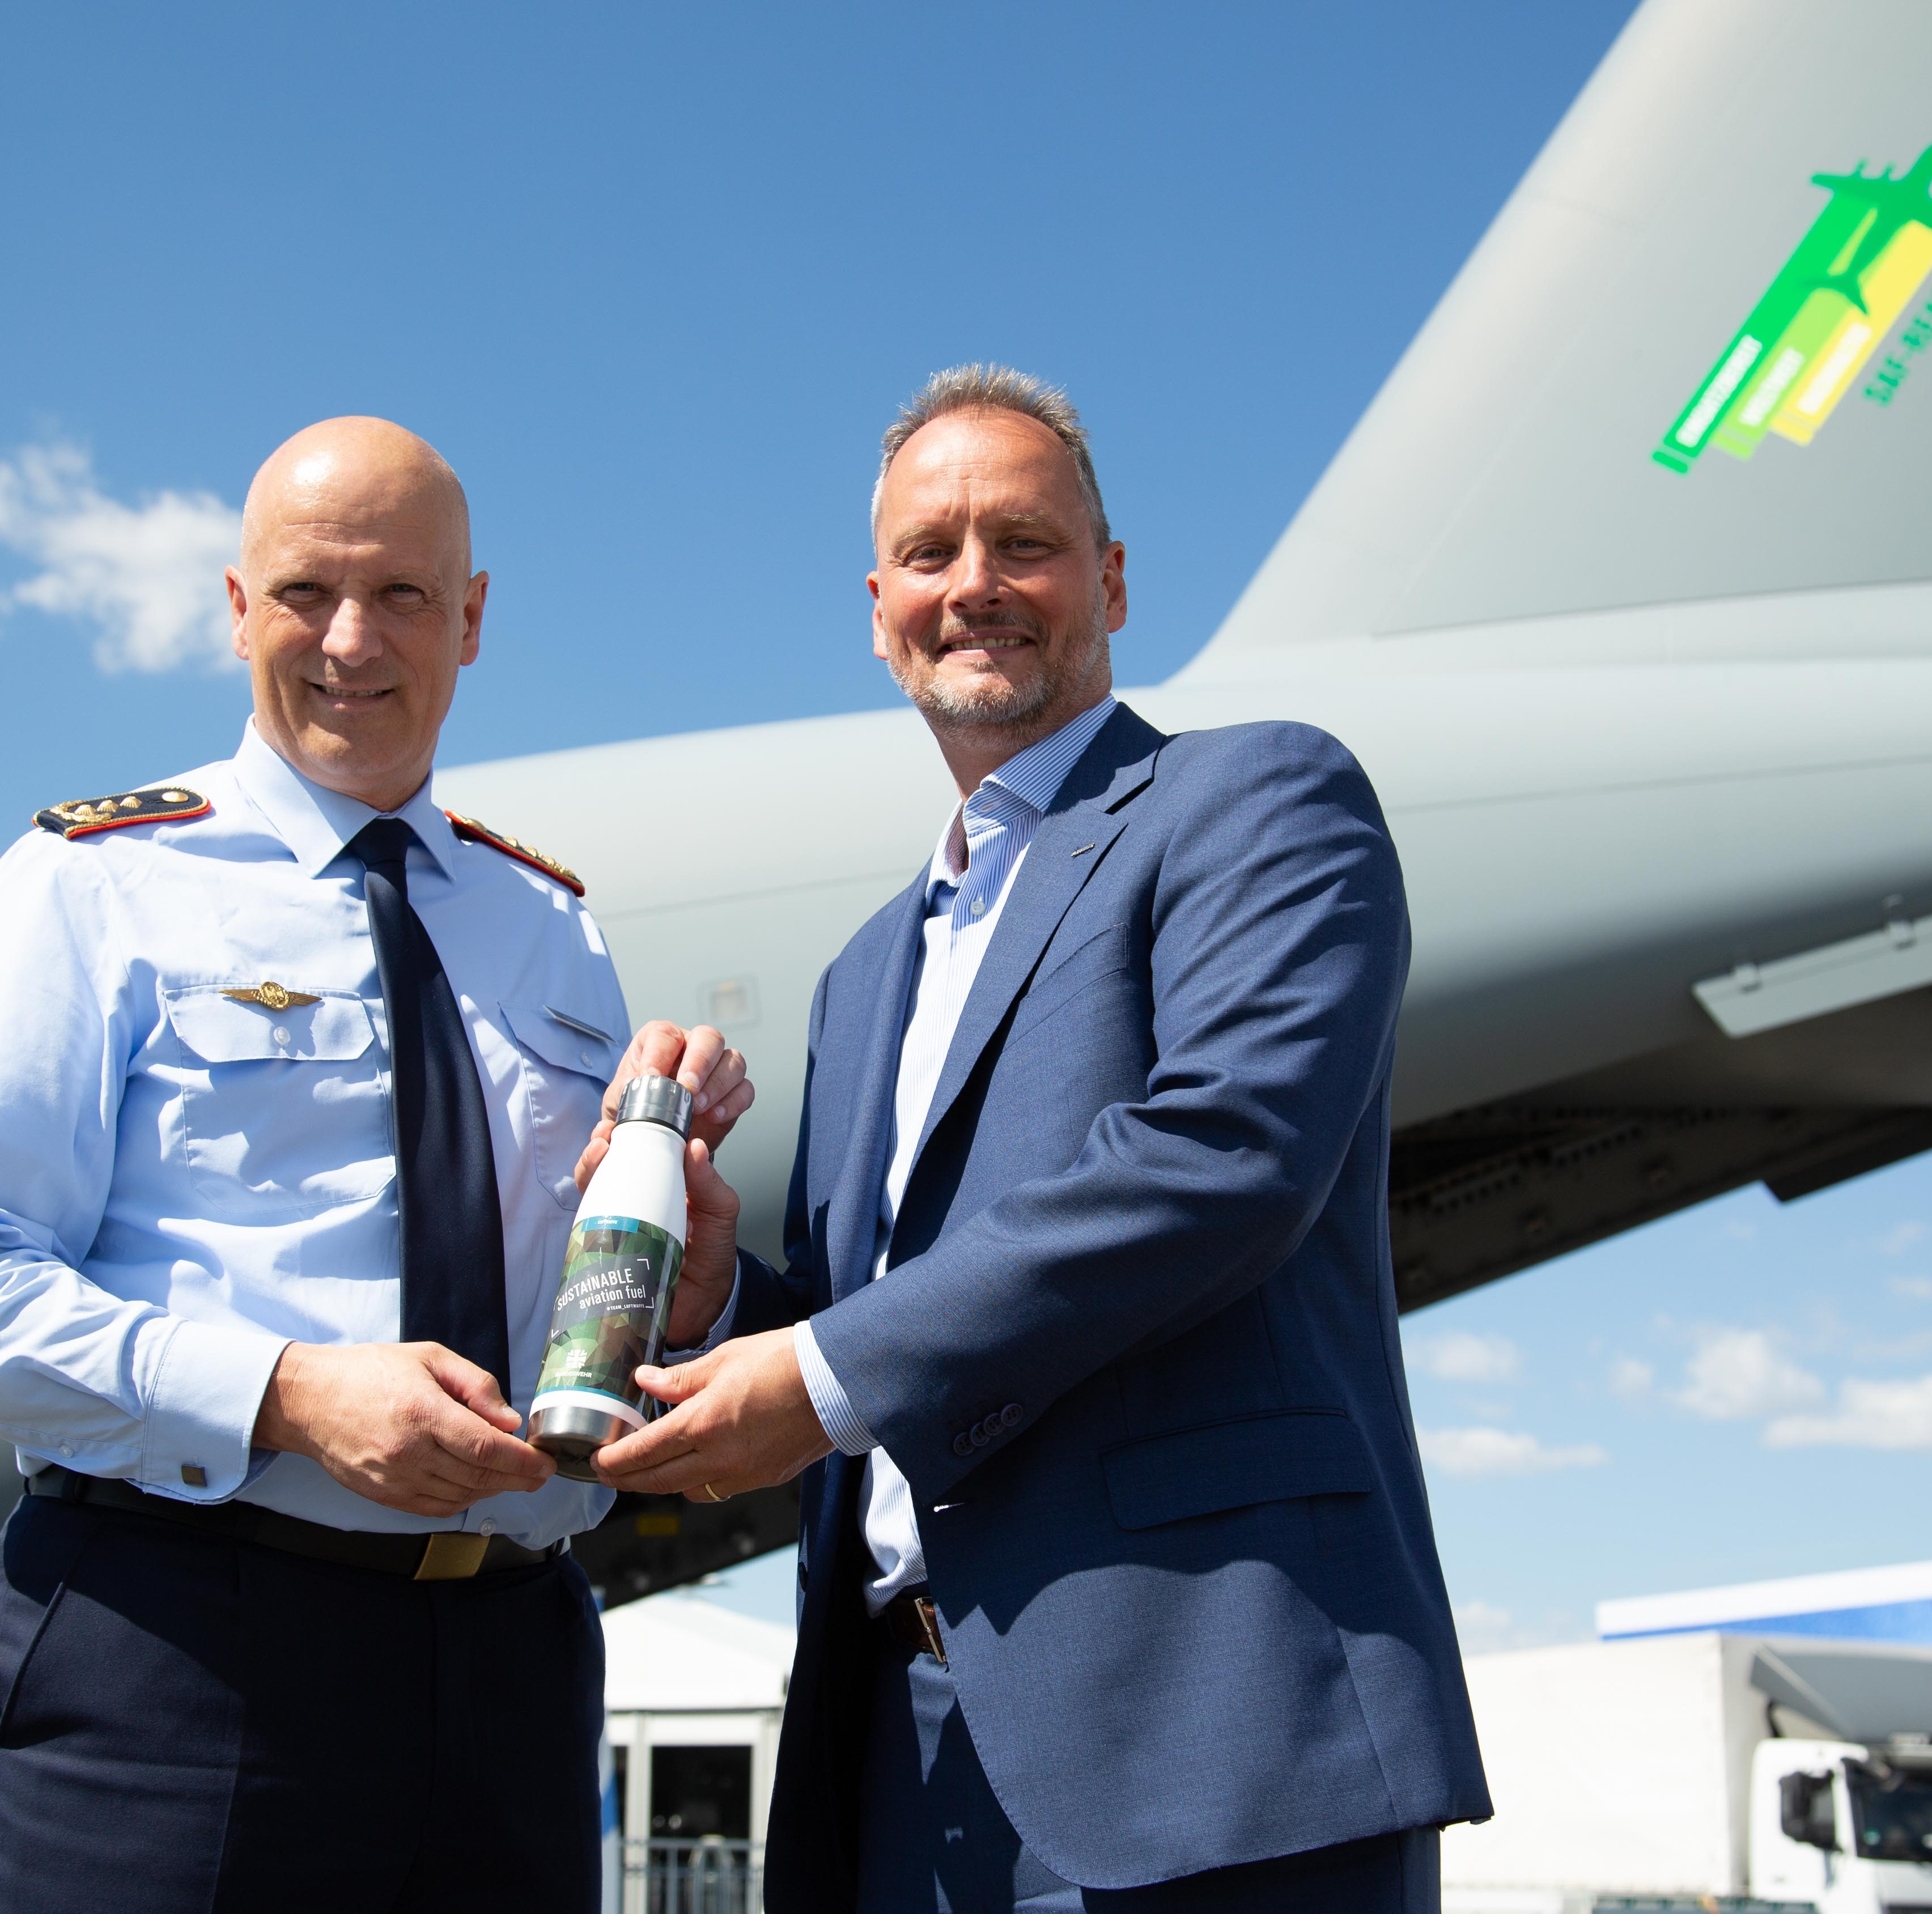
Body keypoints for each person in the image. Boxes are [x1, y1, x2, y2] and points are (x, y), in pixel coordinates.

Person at [584, 366, 1489, 1912]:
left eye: (1024, 542)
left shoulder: (1254, 796)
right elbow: (887, 1321)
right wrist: (725, 1301)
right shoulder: (867, 969)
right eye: (930, 553)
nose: (974, 585)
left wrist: (807, 1374)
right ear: (877, 607)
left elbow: (1225, 1152)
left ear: (1111, 578)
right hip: (904, 1749)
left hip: (1208, 1737)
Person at [0, 416, 749, 1912]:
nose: (349, 640)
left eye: (401, 595)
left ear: (470, 620)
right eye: (304, 593)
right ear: (232, 607)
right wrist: (285, 1391)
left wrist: (691, 1283)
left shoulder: (550, 924)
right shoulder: (96, 882)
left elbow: (572, 1300)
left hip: (512, 1670)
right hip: (186, 1657)